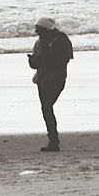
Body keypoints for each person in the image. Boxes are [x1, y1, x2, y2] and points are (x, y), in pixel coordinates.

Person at [27, 17, 73, 152]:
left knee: (47, 108)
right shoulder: (39, 43)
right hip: (42, 79)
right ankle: (53, 140)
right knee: (46, 108)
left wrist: (41, 60)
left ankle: (53, 141)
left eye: (39, 31)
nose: (37, 33)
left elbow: (62, 61)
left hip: (56, 79)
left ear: (47, 30)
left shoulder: (62, 41)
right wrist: (33, 61)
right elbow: (37, 64)